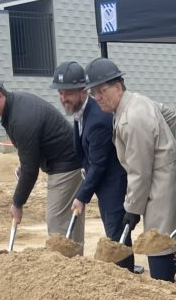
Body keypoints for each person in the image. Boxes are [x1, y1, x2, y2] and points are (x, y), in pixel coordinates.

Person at [82, 58, 176, 281]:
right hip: (171, 177)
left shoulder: (131, 119)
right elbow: (170, 114)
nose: (97, 97)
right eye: (93, 92)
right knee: (174, 238)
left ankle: (169, 290)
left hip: (162, 186)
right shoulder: (137, 100)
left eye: (101, 91)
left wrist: (131, 210)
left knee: (159, 245)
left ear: (117, 87)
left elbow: (139, 172)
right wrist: (166, 149)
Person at [0, 70, 83, 249]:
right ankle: (76, 267)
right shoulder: (15, 108)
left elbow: (30, 171)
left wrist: (17, 203)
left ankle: (68, 270)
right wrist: (25, 165)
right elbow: (29, 157)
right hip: (64, 161)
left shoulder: (20, 118)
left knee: (57, 225)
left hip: (66, 165)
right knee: (66, 222)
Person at [50, 61, 133, 271]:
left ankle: (125, 276)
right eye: (60, 93)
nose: (63, 98)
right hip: (103, 184)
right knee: (112, 230)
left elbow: (98, 164)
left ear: (82, 91)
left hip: (114, 183)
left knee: (116, 237)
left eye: (67, 93)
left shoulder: (98, 119)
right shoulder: (80, 112)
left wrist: (81, 196)